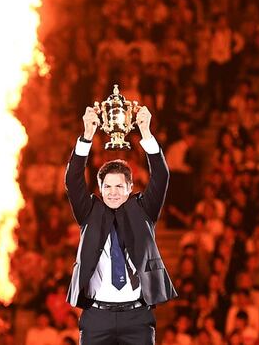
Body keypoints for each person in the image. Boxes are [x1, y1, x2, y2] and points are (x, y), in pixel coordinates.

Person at [65, 105, 177, 344]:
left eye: (119, 187)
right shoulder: (89, 211)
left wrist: (146, 134)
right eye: (107, 186)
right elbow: (73, 180)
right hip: (96, 317)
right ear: (100, 188)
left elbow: (161, 176)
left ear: (130, 188)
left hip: (137, 317)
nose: (113, 192)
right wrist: (86, 135)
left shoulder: (144, 209)